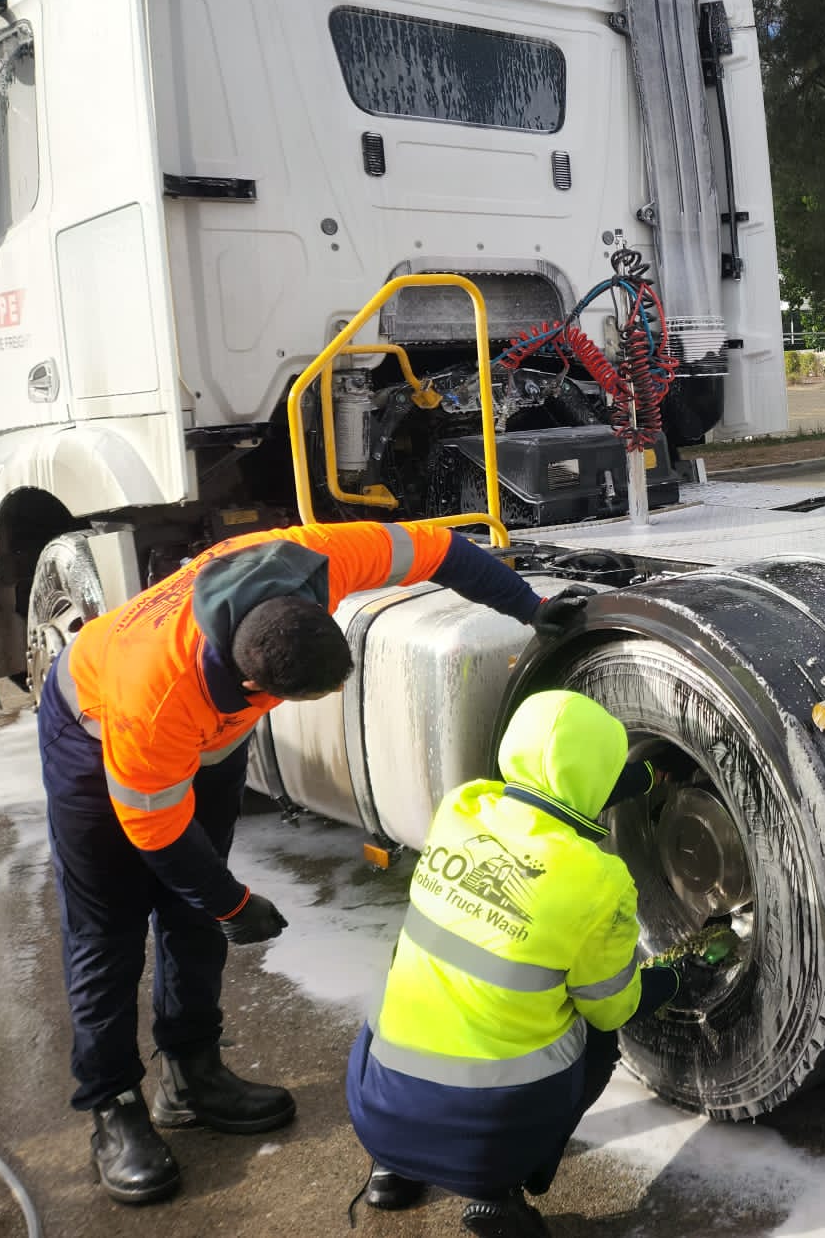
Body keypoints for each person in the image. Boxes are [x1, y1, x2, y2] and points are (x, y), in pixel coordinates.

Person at [39, 518, 583, 1206]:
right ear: (249, 676)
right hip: (91, 731)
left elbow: (440, 549)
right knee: (109, 929)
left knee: (191, 918)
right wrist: (234, 903)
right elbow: (159, 838)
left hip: (207, 739)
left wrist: (530, 608)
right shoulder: (157, 698)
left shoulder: (312, 561)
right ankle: (113, 1107)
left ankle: (192, 1071)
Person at [347, 690, 725, 1238]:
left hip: (374, 1111)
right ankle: (500, 1191)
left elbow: (547, 785)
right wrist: (677, 975)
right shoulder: (597, 880)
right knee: (595, 1032)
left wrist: (645, 778)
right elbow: (613, 1009)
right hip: (489, 1137)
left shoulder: (460, 809)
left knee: (424, 977)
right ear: (597, 776)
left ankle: (393, 1170)